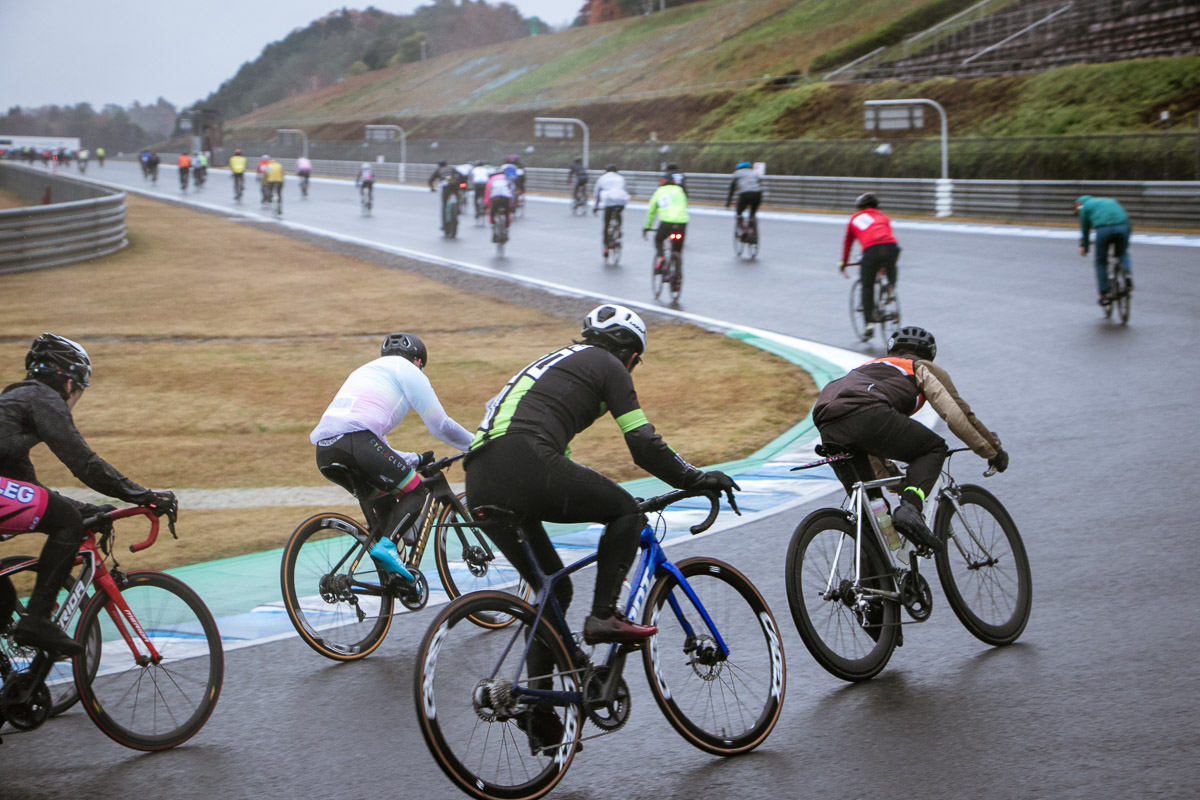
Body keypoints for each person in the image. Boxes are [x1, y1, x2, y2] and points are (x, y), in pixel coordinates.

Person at [465, 303, 737, 651]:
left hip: (480, 477)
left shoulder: (559, 361)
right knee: (626, 511)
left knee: (554, 589)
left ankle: (535, 702)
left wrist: (600, 491)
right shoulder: (609, 364)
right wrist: (693, 479)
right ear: (631, 354)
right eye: (635, 364)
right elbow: (642, 444)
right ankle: (604, 615)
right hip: (525, 460)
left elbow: (556, 461)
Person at [0, 334, 176, 654]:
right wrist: (142, 495)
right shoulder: (43, 398)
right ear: (68, 382)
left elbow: (31, 493)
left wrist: (87, 510)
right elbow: (83, 463)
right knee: (64, 520)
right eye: (79, 390)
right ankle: (38, 619)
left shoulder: (15, 408)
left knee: (3, 601)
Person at [811, 326, 1008, 553]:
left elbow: (869, 445)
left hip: (827, 423)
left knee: (874, 516)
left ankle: (872, 585)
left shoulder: (866, 369)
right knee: (932, 449)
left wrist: (898, 481)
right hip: (867, 412)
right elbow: (956, 414)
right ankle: (910, 509)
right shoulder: (920, 366)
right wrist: (993, 451)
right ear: (929, 353)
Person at [310, 334, 474, 579]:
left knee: (386, 501)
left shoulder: (366, 372)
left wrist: (414, 459)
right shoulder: (410, 371)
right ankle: (388, 548)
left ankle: (393, 578)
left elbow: (376, 446)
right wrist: (476, 444)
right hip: (357, 443)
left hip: (326, 451)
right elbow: (440, 425)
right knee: (416, 491)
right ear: (418, 362)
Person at [839, 192, 900, 340]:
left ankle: (869, 324)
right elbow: (884, 239)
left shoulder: (855, 219)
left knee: (867, 286)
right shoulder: (883, 218)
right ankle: (890, 289)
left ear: (860, 208)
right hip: (892, 248)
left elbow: (848, 243)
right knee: (889, 263)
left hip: (871, 251)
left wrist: (844, 262)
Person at [1075, 195, 1133, 305]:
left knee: (1101, 261)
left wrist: (1085, 247)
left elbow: (1085, 230)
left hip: (1104, 229)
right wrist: (1126, 241)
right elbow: (1127, 220)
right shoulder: (1111, 201)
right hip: (1123, 226)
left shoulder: (1083, 207)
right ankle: (1127, 273)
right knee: (1122, 252)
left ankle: (1104, 293)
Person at [643, 172, 689, 273]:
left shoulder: (659, 191)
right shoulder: (680, 190)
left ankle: (661, 257)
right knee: (678, 249)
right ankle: (677, 276)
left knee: (658, 239)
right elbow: (684, 205)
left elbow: (652, 211)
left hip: (666, 222)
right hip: (682, 222)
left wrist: (647, 226)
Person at [593, 163, 630, 256]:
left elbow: (597, 192)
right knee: (618, 213)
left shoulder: (602, 178)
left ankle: (606, 247)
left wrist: (596, 206)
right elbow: (625, 190)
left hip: (609, 201)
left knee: (606, 224)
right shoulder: (620, 177)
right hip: (621, 200)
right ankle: (619, 228)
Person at [726, 161, 762, 237]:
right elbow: (758, 184)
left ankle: (744, 230)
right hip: (757, 194)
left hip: (745, 194)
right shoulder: (753, 173)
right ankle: (754, 230)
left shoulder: (737, 173)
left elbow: (732, 188)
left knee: (739, 212)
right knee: (752, 213)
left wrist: (728, 202)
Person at [483, 166, 514, 241]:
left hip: (495, 199)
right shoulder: (508, 178)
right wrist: (512, 205)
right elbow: (512, 190)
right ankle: (506, 231)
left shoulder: (491, 180)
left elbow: (487, 193)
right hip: (506, 198)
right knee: (507, 214)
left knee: (492, 214)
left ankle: (494, 232)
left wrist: (486, 204)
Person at [428, 160, 458, 231]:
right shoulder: (451, 168)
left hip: (446, 187)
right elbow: (459, 175)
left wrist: (432, 188)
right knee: (457, 196)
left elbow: (430, 180)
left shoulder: (438, 170)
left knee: (444, 206)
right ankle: (458, 208)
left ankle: (444, 225)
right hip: (454, 184)